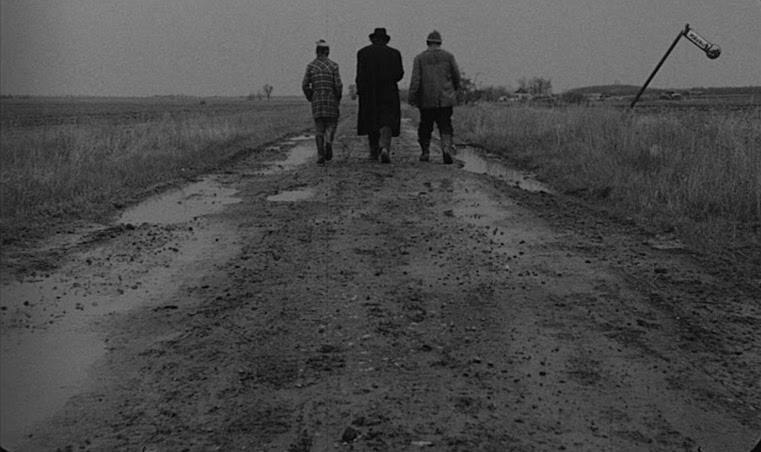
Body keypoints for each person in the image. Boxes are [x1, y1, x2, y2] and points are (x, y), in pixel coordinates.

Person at [408, 30, 461, 164]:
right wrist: (453, 90)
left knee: (425, 126)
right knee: (445, 125)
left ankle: (425, 152)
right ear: (440, 43)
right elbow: (456, 76)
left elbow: (416, 80)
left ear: (427, 43)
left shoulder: (419, 58)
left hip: (426, 100)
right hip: (445, 98)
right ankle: (446, 149)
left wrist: (412, 97)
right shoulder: (449, 56)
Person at [356, 27, 404, 164]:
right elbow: (399, 74)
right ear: (386, 40)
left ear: (373, 39)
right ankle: (385, 148)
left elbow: (360, 75)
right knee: (387, 120)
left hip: (369, 92)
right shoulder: (395, 53)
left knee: (372, 120)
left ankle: (373, 152)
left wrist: (361, 91)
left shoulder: (363, 53)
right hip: (389, 91)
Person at [302, 39, 343, 164]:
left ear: (316, 52)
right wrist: (337, 97)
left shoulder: (311, 66)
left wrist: (311, 96)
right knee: (331, 124)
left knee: (319, 128)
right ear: (327, 52)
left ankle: (320, 155)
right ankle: (329, 140)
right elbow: (338, 85)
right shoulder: (333, 66)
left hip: (317, 101)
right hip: (331, 99)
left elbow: (305, 85)